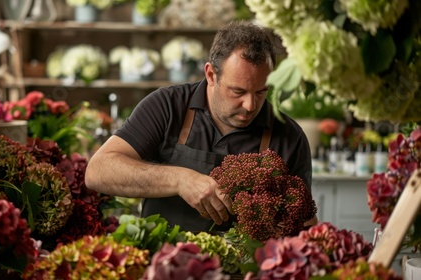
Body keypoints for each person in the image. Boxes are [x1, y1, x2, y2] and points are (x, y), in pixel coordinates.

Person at [85, 20, 317, 231]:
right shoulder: (167, 106)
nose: (250, 105)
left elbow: (303, 223)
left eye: (261, 91)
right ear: (211, 75)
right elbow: (98, 171)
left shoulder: (289, 136)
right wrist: (180, 180)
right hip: (165, 264)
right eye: (238, 91)